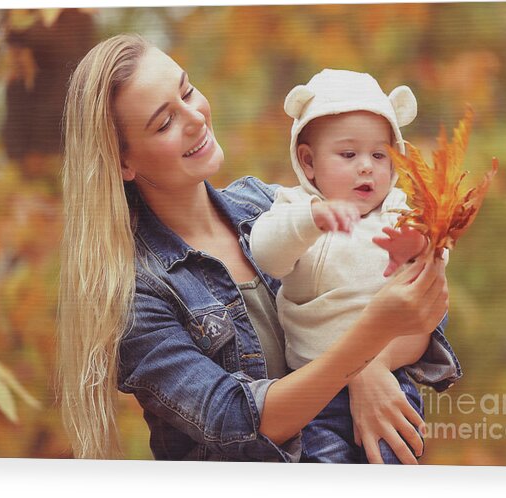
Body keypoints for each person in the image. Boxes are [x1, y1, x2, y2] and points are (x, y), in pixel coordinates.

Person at [57, 33, 461, 462]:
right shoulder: (138, 296)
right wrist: (362, 352)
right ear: (123, 162)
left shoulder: (266, 204)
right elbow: (238, 420)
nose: (194, 117)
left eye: (188, 91)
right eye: (165, 122)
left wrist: (372, 365)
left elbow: (418, 307)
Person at [250, 69, 452, 463]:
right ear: (308, 161)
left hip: (390, 379)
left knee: (390, 460)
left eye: (379, 155)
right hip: (314, 393)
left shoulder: (396, 210)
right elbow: (267, 256)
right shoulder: (293, 208)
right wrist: (314, 219)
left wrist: (419, 246)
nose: (366, 167)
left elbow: (435, 273)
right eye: (348, 154)